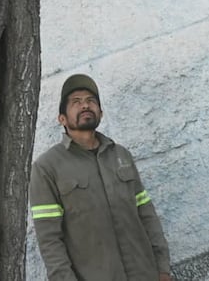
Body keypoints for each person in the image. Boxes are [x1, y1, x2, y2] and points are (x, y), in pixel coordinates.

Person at [29, 74, 173, 281]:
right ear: (62, 119)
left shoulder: (121, 155)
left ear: (101, 113)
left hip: (145, 274)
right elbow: (49, 240)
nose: (85, 105)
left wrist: (163, 267)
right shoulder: (46, 168)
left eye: (91, 101)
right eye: (76, 102)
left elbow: (147, 214)